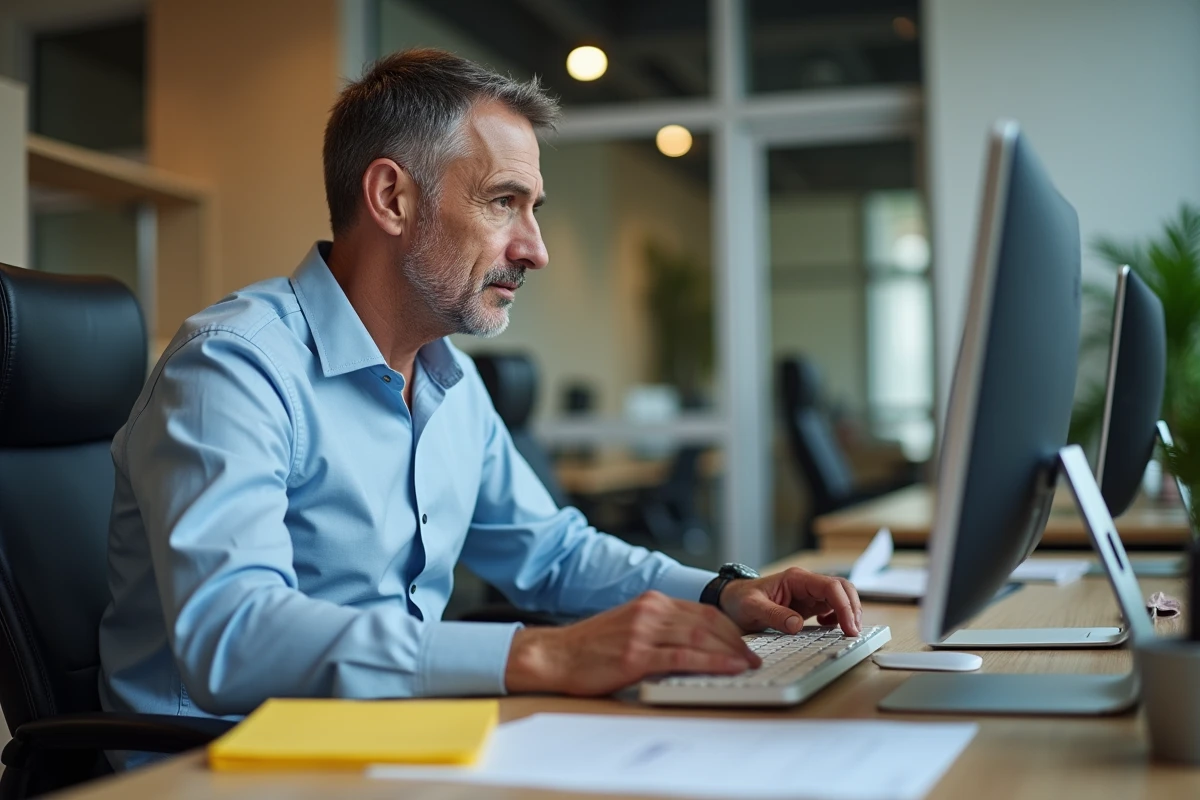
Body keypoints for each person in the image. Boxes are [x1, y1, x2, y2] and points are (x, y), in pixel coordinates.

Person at [98, 49, 862, 759]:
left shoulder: (448, 380)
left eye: (533, 208)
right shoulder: (235, 367)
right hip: (213, 769)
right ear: (392, 197)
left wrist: (721, 592)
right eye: (505, 202)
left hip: (399, 748)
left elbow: (551, 554)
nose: (535, 248)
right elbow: (231, 637)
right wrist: (539, 654)